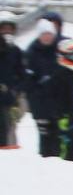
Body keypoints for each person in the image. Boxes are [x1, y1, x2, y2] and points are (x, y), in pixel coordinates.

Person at [22, 19, 59, 156]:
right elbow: (28, 81)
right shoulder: (32, 52)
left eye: (49, 34)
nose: (47, 37)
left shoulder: (59, 51)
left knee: (57, 136)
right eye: (44, 34)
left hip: (57, 103)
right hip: (41, 103)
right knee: (45, 137)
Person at [0, 12, 23, 148]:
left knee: (9, 129)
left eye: (10, 29)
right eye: (4, 29)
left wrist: (16, 90)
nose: (7, 32)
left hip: (9, 98)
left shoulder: (16, 51)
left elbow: (22, 74)